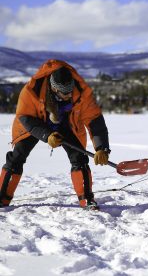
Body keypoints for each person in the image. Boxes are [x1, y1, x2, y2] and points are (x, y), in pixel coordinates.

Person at [0, 59, 110, 210]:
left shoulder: (82, 92)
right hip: (36, 125)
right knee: (17, 157)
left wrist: (101, 148)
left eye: (70, 92)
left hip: (67, 126)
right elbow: (25, 117)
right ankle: (2, 198)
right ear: (53, 88)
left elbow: (95, 120)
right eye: (64, 93)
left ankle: (87, 199)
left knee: (79, 158)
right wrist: (47, 135)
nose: (68, 95)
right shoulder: (32, 90)